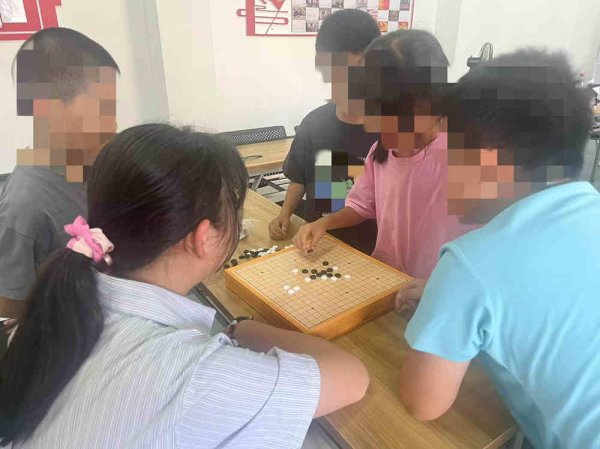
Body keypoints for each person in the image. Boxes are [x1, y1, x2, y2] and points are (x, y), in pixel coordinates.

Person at [0, 124, 369, 448]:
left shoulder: (53, 309)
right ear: (203, 237)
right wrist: (240, 328)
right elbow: (352, 377)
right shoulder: (196, 377)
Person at [397, 50, 599, 449]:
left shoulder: (470, 264)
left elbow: (423, 404)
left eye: (451, 156)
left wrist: (452, 299)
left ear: (486, 162)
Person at [293, 30, 472, 282]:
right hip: (386, 280)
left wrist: (442, 287)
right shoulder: (381, 152)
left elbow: (493, 245)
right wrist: (325, 223)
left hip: (441, 291)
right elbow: (362, 205)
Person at [0, 27, 119, 322]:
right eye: (102, 110)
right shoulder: (24, 206)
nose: (113, 125)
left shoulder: (92, 167)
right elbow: (10, 307)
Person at [269, 9, 380, 254]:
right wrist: (284, 213)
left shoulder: (391, 133)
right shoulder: (314, 123)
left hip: (369, 251)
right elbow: (299, 177)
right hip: (318, 245)